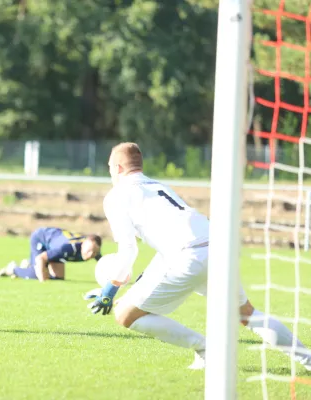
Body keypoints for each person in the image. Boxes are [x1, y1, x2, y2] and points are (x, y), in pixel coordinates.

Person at [85, 142, 311, 370]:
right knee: (248, 315)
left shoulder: (116, 195)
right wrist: (119, 288)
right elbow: (165, 249)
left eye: (110, 168)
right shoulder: (158, 186)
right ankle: (309, 360)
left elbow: (129, 250)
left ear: (119, 168)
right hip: (218, 246)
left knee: (125, 315)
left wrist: (110, 290)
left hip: (189, 255)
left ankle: (205, 348)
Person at [0, 227, 102, 282]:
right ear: (83, 245)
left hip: (54, 246)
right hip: (41, 238)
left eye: (94, 252)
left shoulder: (94, 250)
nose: (91, 255)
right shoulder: (67, 248)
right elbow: (41, 258)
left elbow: (106, 266)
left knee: (59, 278)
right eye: (89, 251)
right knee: (37, 274)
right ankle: (12, 269)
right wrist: (42, 281)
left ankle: (27, 265)